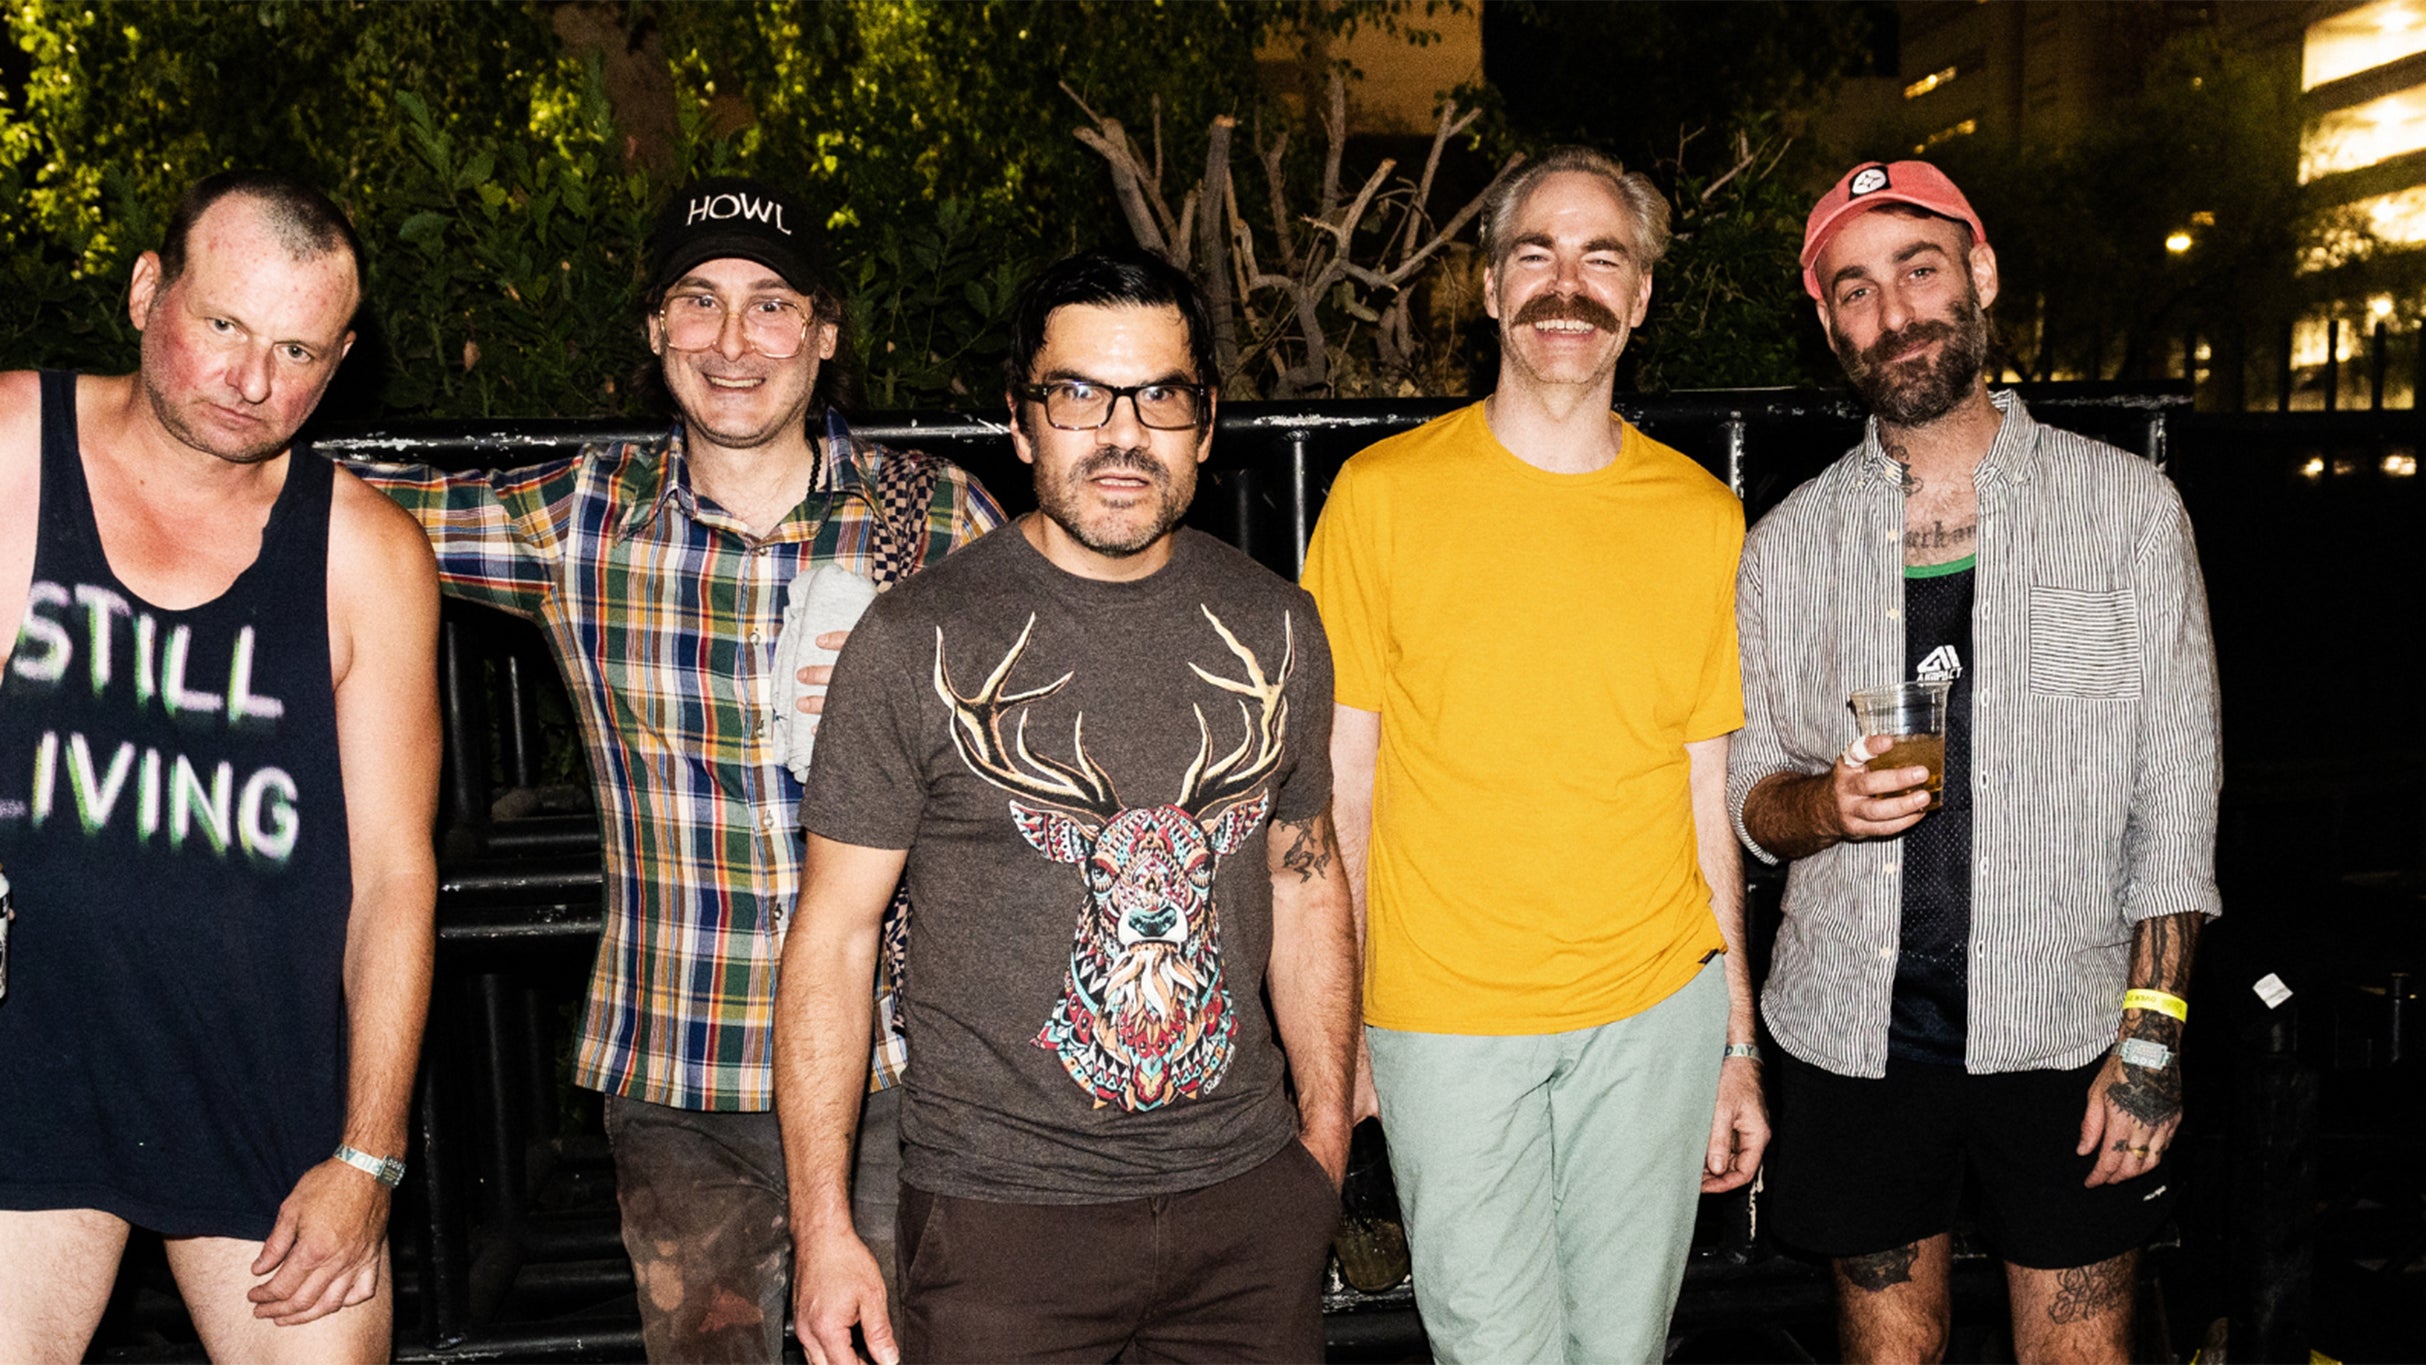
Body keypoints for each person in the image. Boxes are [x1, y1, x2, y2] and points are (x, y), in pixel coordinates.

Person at [343, 176, 1002, 1363]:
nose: (733, 341)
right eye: (698, 301)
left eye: (772, 305)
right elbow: (329, 515)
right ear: (655, 329)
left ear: (824, 334)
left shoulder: (940, 522)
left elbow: (1044, 760)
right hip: (678, 1069)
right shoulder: (578, 517)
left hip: (902, 1071)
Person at [778, 248, 1357, 1365]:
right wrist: (824, 1227)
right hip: (1003, 1227)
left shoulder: (1278, 626)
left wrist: (1321, 1144)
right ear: (1020, 420)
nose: (1122, 434)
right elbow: (833, 939)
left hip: (1246, 1209)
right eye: (1079, 394)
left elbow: (1306, 882)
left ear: (1206, 421)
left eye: (1160, 395)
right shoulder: (913, 642)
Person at [1730, 159, 2221, 1363]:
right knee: (1886, 1351)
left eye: (1918, 270)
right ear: (1828, 325)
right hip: (1850, 1026)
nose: (1892, 312)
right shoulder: (1783, 545)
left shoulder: (2125, 511)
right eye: (1853, 290)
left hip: (2064, 1019)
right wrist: (1825, 806)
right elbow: (1748, 799)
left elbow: (2174, 796)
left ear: (1980, 275)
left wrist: (2149, 1040)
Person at [1299, 145, 1767, 1364]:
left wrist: (1734, 1046)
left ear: (1640, 297)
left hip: (1655, 1016)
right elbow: (1340, 786)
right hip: (1445, 1019)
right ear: (1491, 288)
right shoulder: (1380, 497)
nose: (1568, 285)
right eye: (1535, 253)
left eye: (1601, 258)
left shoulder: (1701, 517)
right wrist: (1341, 1029)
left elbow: (1703, 789)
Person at [0, 171, 440, 1363]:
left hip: (263, 1079)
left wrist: (368, 1157)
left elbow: (396, 877)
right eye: (225, 325)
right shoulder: (14, 447)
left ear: (340, 361)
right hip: (28, 1059)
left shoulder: (368, 555)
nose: (251, 380)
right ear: (149, 290)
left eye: (296, 350)